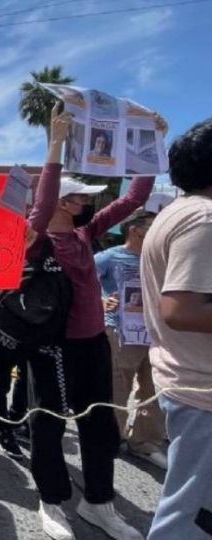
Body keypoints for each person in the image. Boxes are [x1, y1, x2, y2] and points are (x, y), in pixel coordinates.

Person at [26, 107, 163, 540]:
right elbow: (41, 204)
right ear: (64, 202)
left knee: (99, 426)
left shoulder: (86, 235)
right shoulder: (36, 238)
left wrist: (149, 147)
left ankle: (98, 502)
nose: (90, 204)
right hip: (52, 348)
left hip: (93, 343)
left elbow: (133, 200)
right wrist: (55, 144)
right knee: (48, 424)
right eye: (83, 198)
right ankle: (50, 501)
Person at [141, 117, 212, 540]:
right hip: (201, 392)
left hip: (189, 384)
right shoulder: (203, 219)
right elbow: (181, 310)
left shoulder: (179, 213)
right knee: (189, 522)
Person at [95, 209, 167, 470]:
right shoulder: (108, 257)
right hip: (121, 332)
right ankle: (114, 437)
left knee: (156, 388)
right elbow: (81, 282)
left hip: (158, 333)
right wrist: (101, 301)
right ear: (135, 230)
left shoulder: (162, 258)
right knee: (119, 387)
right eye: (152, 225)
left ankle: (145, 443)